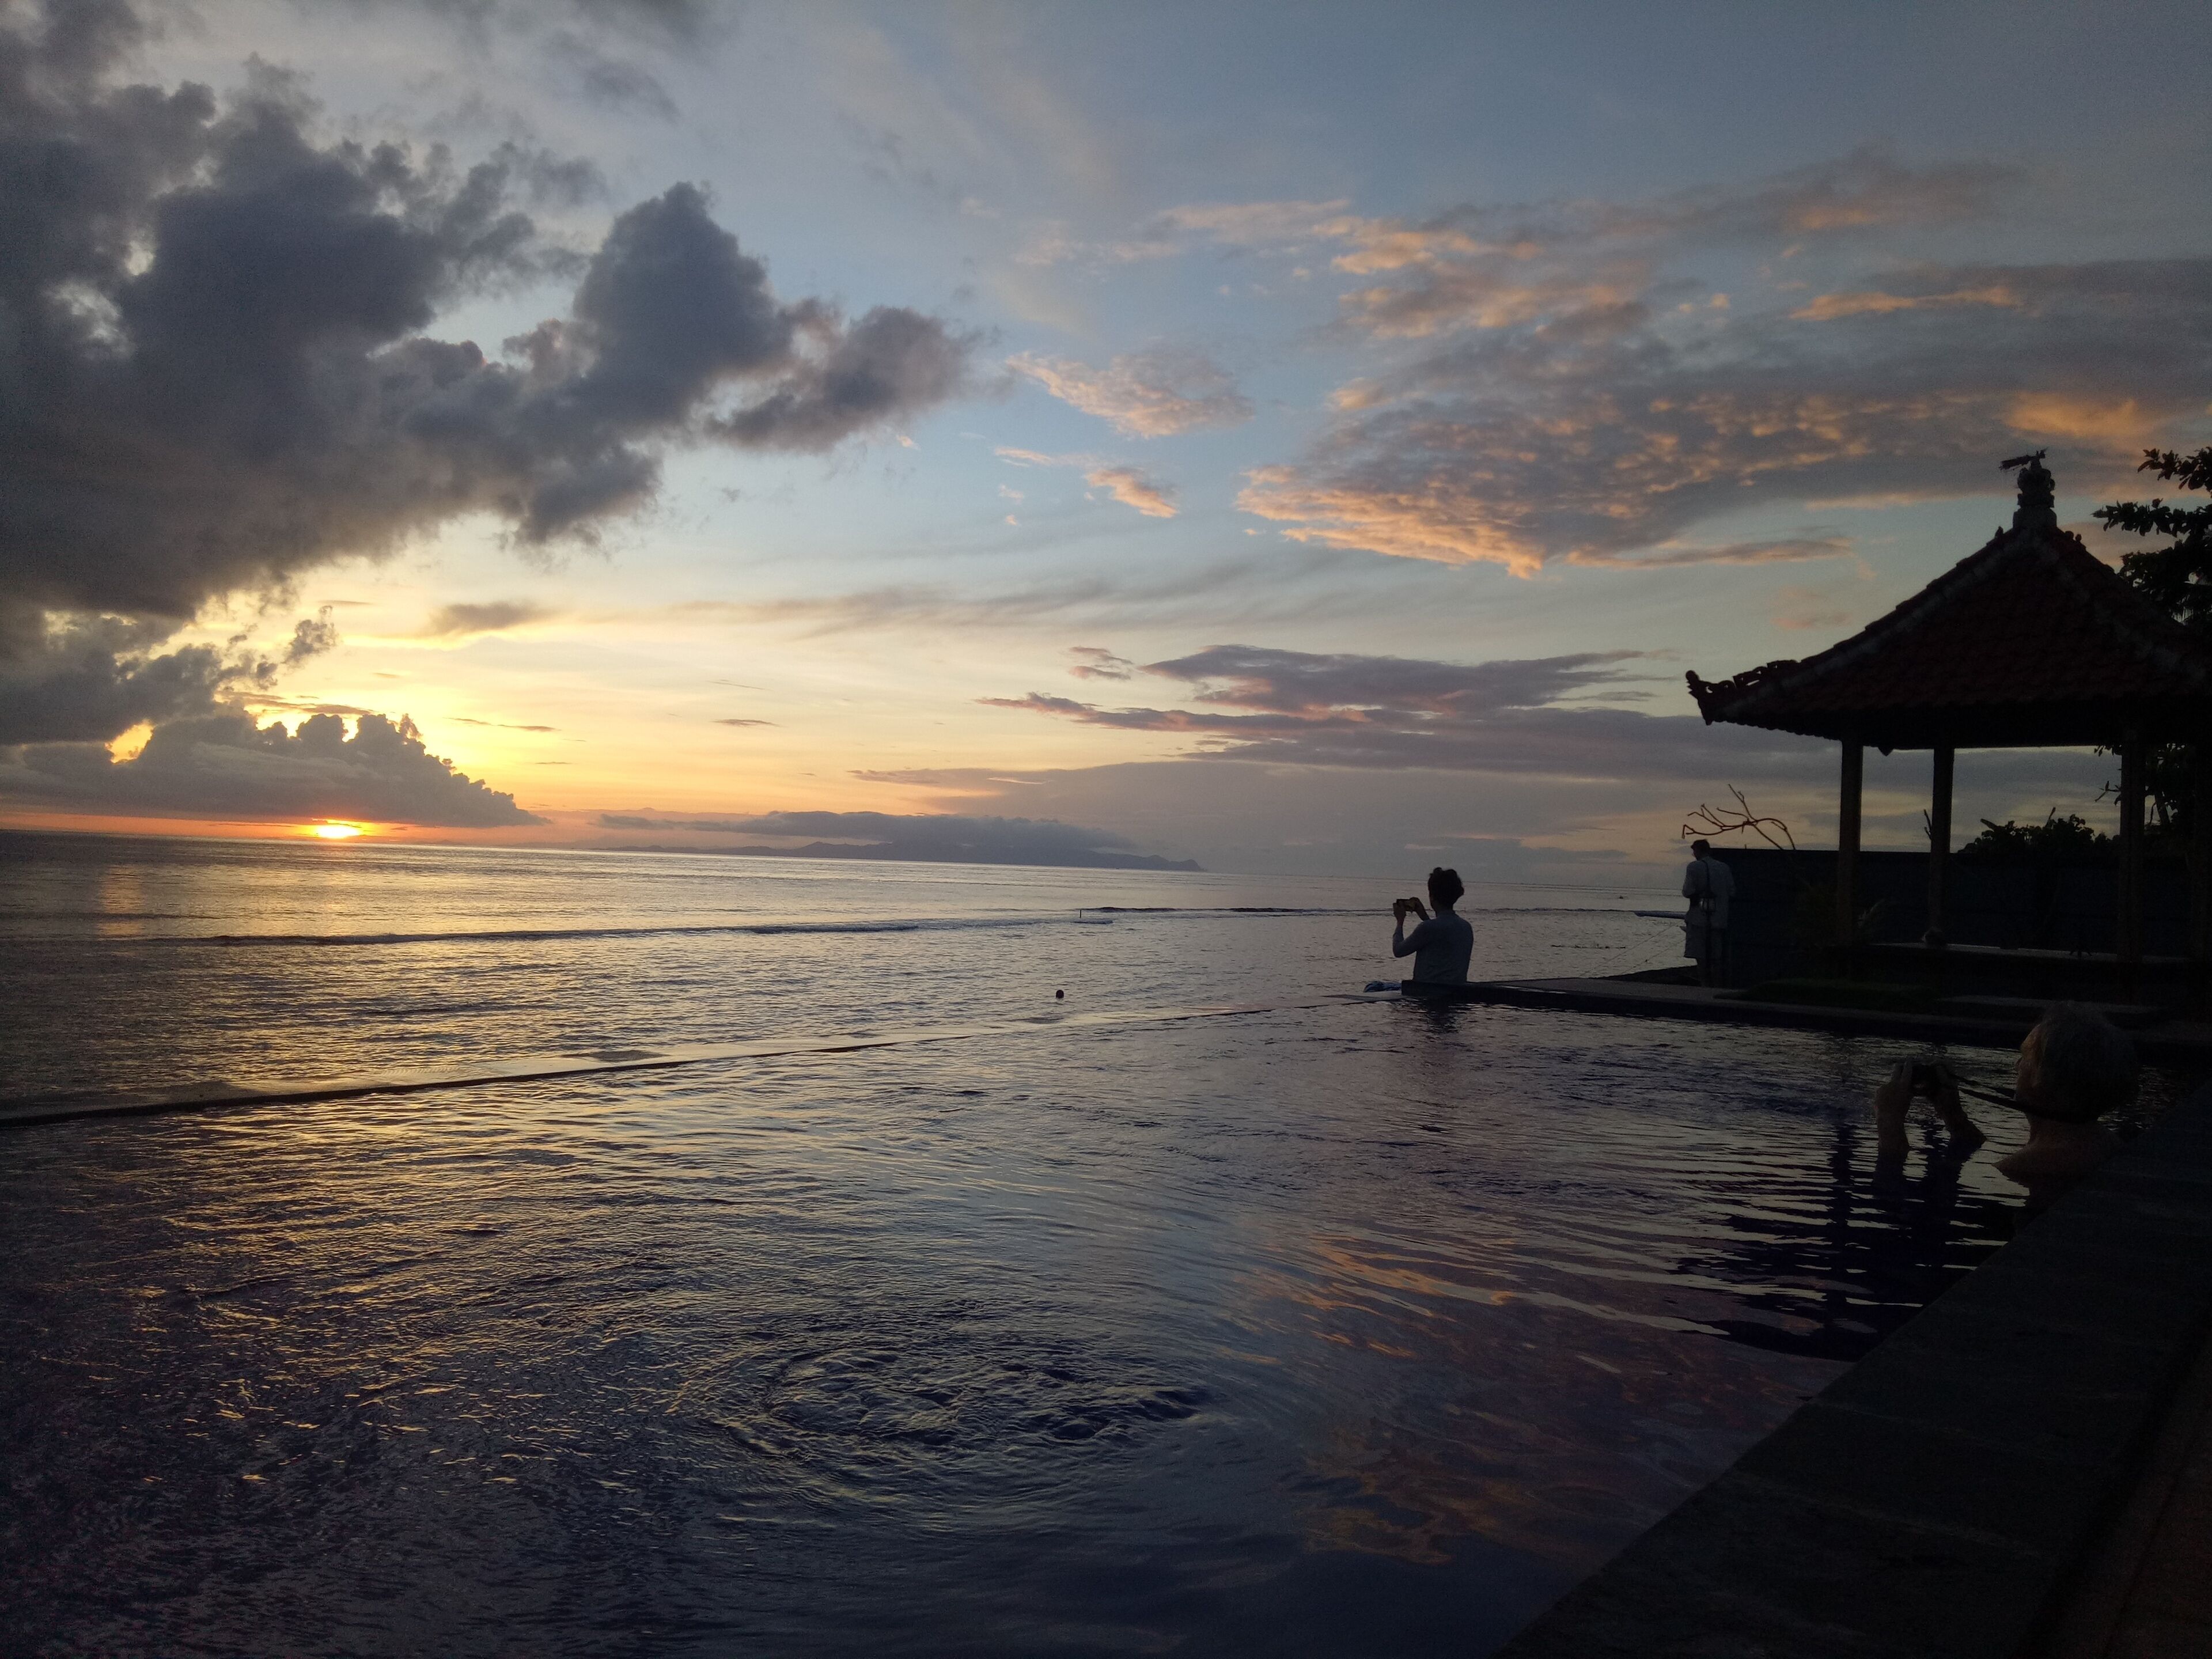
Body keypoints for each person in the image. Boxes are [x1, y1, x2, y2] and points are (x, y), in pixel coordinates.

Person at [1874, 1003, 2136, 1213]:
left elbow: (1894, 1202)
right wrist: (1953, 1114)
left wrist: (1889, 1123)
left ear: (2042, 1077)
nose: (2017, 1066)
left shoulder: (2027, 1167)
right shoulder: (2104, 1144)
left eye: (2025, 1057)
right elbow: (1965, 1153)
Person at [1391, 866, 1474, 986]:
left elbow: (1398, 951)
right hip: (1456, 991)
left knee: (1373, 987)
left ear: (1432, 896)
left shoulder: (1428, 928)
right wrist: (1424, 917)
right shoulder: (1466, 927)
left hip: (1427, 993)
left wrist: (1400, 922)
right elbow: (1440, 937)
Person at [1681, 839, 1736, 986]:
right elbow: (1732, 891)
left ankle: (1704, 987)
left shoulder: (1694, 867)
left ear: (1697, 851)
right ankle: (1716, 986)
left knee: (1701, 957)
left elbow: (1687, 891)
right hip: (1719, 919)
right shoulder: (1724, 868)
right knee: (1716, 957)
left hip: (1698, 918)